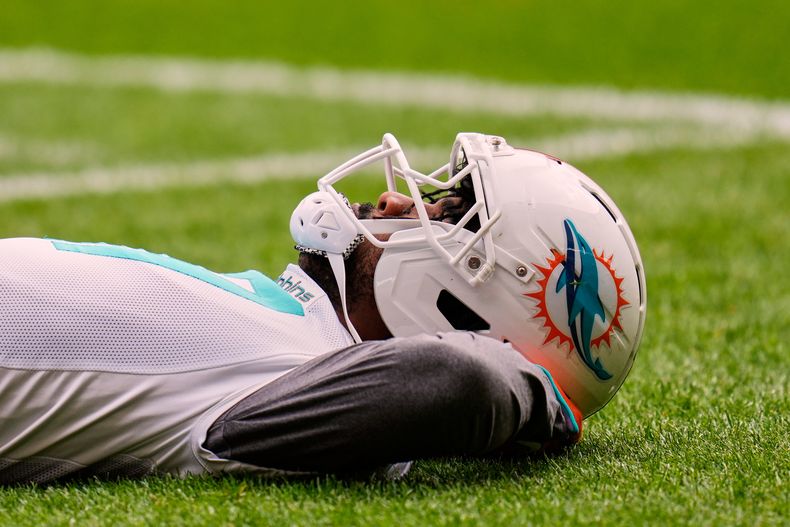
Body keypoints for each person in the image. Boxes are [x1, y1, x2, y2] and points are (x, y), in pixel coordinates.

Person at [0, 133, 646, 485]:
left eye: (453, 215)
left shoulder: (306, 374)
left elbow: (454, 382)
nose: (396, 203)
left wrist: (529, 394)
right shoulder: (293, 323)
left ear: (473, 313)